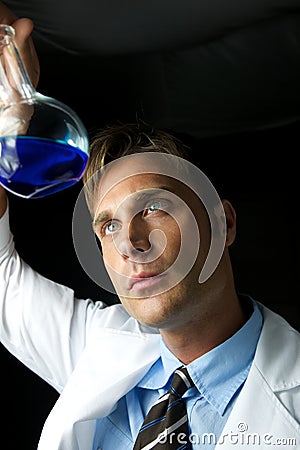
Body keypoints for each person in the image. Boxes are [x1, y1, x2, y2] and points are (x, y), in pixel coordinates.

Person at [0, 8, 300, 450]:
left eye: (155, 207)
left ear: (225, 222)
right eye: (108, 226)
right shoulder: (97, 348)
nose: (130, 242)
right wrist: (8, 116)